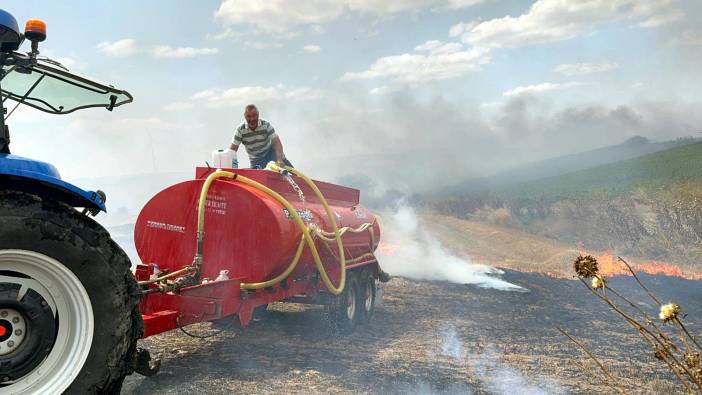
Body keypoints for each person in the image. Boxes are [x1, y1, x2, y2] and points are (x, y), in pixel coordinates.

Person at [229, 104, 293, 169]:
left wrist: (279, 159)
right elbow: (232, 150)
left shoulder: (266, 125)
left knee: (289, 170)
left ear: (258, 114)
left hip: (270, 153)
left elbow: (276, 142)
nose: (252, 119)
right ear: (245, 117)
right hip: (256, 160)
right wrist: (231, 167)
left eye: (254, 115)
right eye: (249, 116)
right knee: (258, 177)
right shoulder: (240, 130)